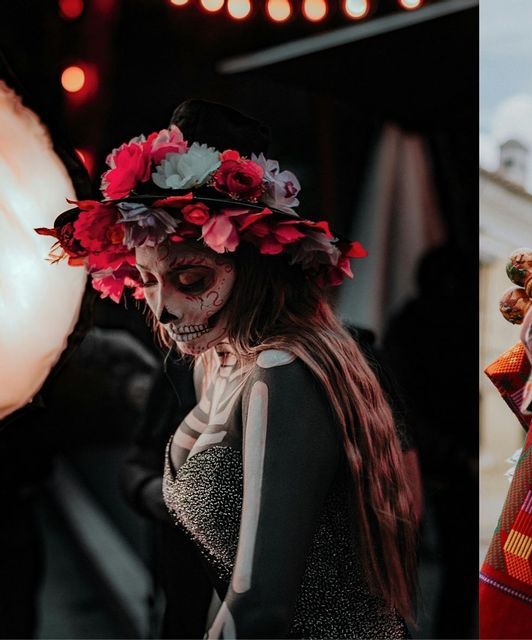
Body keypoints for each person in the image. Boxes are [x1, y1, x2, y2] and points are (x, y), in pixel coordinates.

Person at [36, 99, 418, 638]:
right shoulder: (212, 364)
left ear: (255, 268)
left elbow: (261, 607)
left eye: (191, 280)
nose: (162, 310)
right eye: (147, 280)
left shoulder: (281, 372)